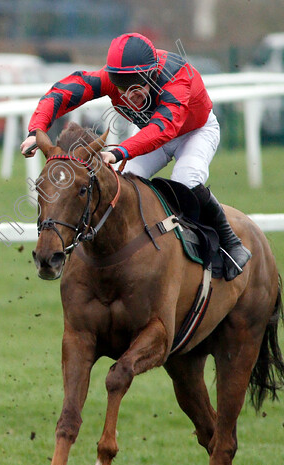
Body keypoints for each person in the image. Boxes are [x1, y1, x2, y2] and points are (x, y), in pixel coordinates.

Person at [20, 32, 251, 281]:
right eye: (121, 85)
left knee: (185, 178)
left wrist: (120, 151)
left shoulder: (177, 79)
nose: (128, 93)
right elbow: (63, 91)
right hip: (152, 134)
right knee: (124, 185)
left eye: (135, 84)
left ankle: (231, 242)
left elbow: (163, 129)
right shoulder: (114, 78)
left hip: (194, 132)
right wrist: (36, 129)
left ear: (151, 74)